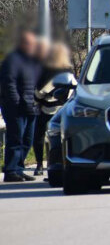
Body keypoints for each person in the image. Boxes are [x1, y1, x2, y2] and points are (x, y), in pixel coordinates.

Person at [0, 30, 39, 182]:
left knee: (27, 140)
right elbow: (9, 84)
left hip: (30, 106)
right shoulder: (12, 60)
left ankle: (19, 168)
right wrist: (16, 103)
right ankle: (11, 170)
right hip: (16, 108)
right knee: (16, 139)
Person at [33, 42, 74, 176]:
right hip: (64, 110)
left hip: (47, 109)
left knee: (39, 136)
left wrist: (38, 100)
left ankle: (40, 165)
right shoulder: (68, 70)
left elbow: (39, 92)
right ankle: (62, 163)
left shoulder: (45, 70)